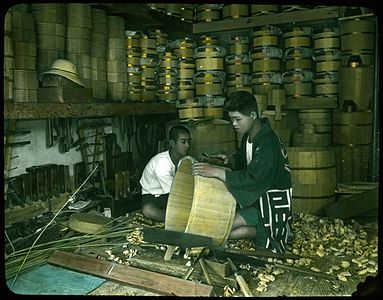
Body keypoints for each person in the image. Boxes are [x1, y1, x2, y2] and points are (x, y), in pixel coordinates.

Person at [191, 90, 292, 253]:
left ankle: (267, 231)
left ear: (253, 115)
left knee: (224, 226)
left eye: (238, 119)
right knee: (223, 229)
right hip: (257, 198)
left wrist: (216, 172)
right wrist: (229, 160)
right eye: (231, 119)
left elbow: (254, 177)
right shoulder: (249, 136)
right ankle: (261, 231)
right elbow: (245, 161)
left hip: (270, 203)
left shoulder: (268, 142)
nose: (234, 124)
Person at [140, 125, 191, 222]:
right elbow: (175, 192)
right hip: (154, 197)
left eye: (189, 142)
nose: (187, 146)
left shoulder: (185, 160)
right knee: (148, 210)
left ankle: (178, 216)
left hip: (172, 194)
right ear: (172, 143)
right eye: (183, 142)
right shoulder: (162, 163)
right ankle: (177, 220)